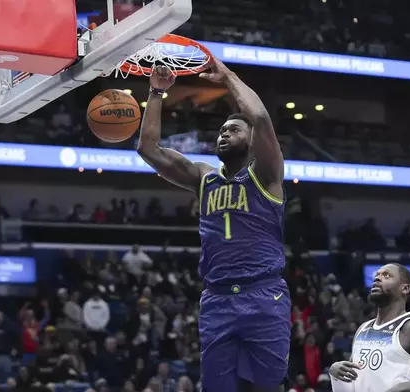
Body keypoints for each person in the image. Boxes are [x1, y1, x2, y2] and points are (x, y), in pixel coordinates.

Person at [137, 60, 290, 392]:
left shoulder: (266, 174)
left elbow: (261, 118)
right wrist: (156, 92)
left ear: (252, 141)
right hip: (217, 299)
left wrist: (228, 78)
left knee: (268, 385)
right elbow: (148, 149)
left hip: (263, 295)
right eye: (221, 130)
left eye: (234, 129)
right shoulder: (204, 178)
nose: (224, 133)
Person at [329, 263, 410, 392]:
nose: (377, 278)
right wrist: (336, 370)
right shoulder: (363, 329)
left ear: (405, 288)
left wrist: (407, 387)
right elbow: (357, 375)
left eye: (386, 275)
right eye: (377, 275)